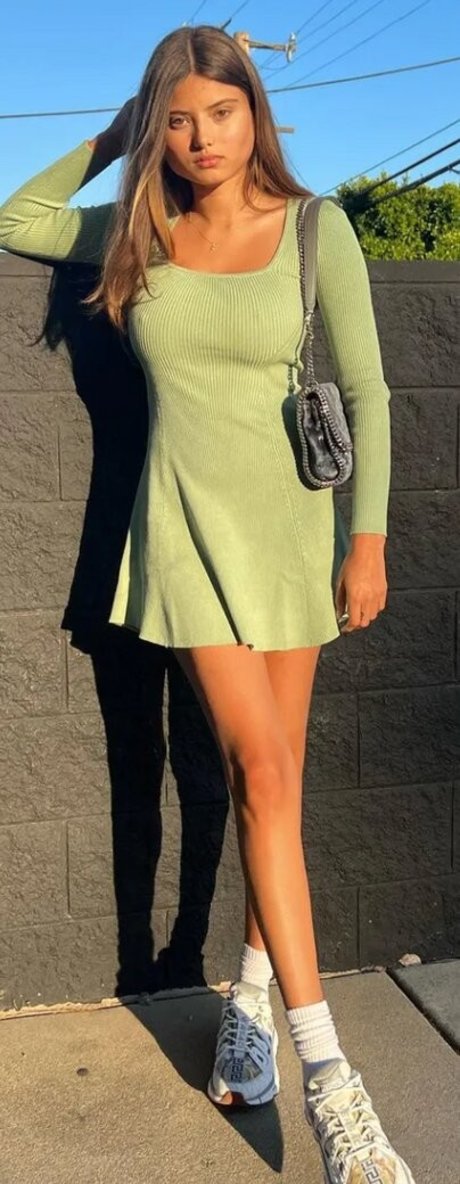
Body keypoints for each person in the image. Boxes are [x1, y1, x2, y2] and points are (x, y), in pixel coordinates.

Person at [0, 24, 416, 1184]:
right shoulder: (139, 226)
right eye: (175, 120)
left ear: (253, 112)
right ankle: (334, 1085)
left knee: (268, 782)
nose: (199, 138)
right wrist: (116, 135)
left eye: (218, 113)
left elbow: (372, 391)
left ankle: (247, 997)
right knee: (263, 773)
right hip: (182, 537)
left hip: (292, 537)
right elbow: (17, 215)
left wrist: (367, 540)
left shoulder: (317, 228)